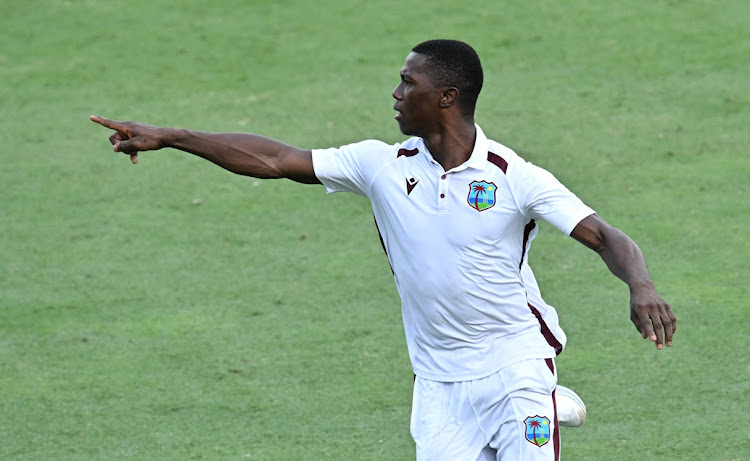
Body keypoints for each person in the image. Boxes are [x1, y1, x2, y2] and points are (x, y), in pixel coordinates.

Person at [90, 39, 676, 461]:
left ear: (446, 96)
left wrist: (641, 285)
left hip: (513, 367)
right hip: (439, 383)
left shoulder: (513, 177)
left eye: (408, 83)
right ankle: (555, 407)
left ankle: (543, 402)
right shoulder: (380, 165)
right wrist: (175, 136)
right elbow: (274, 160)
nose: (395, 94)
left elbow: (605, 236)